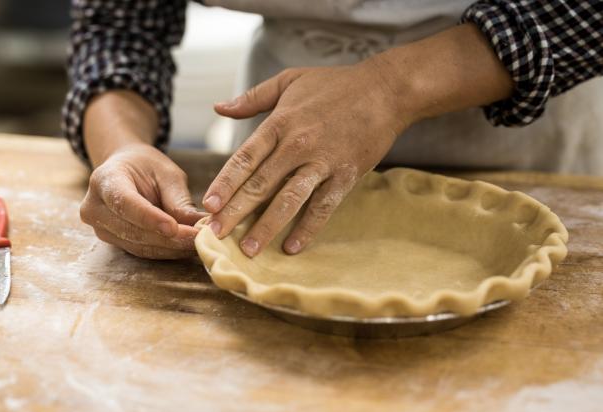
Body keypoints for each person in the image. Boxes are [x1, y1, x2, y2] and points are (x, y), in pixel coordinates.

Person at [63, 0, 603, 260]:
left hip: (519, 128)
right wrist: (122, 147)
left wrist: (390, 87)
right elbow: (119, 28)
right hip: (282, 138)